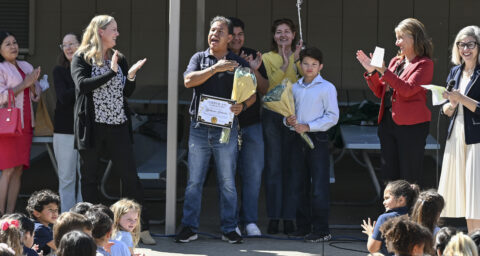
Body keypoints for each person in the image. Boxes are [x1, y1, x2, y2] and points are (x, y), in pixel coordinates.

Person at [70, 15, 155, 245]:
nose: (117, 33)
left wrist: (131, 75)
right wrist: (110, 71)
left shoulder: (119, 58)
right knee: (90, 178)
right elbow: (82, 86)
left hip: (118, 125)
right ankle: (92, 231)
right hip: (93, 126)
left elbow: (125, 92)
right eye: (113, 30)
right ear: (100, 32)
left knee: (130, 178)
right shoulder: (82, 58)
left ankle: (139, 228)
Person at [175, 16, 252, 244]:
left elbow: (253, 94)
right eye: (212, 30)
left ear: (229, 37)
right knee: (194, 181)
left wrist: (243, 105)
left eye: (220, 31)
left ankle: (229, 228)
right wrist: (216, 68)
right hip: (199, 128)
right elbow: (188, 81)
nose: (214, 34)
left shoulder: (238, 62)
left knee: (227, 181)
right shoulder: (199, 58)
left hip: (226, 129)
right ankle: (189, 227)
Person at [356, 18, 434, 184]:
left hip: (411, 127)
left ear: (414, 38)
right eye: (396, 38)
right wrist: (372, 73)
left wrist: (383, 70)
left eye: (400, 38)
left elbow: (407, 90)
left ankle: (409, 210)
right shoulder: (395, 61)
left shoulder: (425, 64)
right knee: (389, 175)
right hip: (388, 123)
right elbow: (380, 91)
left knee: (409, 177)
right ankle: (390, 209)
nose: (397, 43)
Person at [285, 47, 339, 242]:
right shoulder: (294, 87)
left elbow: (332, 117)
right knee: (298, 184)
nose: (309, 67)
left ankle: (322, 229)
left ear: (320, 66)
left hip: (318, 139)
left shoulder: (327, 87)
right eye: (306, 63)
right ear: (300, 65)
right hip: (296, 139)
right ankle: (303, 226)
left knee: (319, 185)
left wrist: (309, 126)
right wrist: (289, 121)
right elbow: (288, 112)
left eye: (314, 64)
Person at [227, 17, 269, 236]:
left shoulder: (252, 54)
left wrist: (251, 69)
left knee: (253, 174)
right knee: (229, 175)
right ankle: (231, 221)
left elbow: (264, 88)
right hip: (226, 125)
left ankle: (250, 221)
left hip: (252, 124)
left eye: (240, 34)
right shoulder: (219, 56)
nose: (237, 38)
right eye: (232, 34)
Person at [262, 18, 303, 235]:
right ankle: (274, 217)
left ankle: (289, 217)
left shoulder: (301, 57)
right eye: (279, 32)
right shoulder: (267, 58)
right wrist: (286, 64)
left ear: (294, 34)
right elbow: (270, 87)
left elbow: (306, 81)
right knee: (274, 167)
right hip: (272, 115)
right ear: (274, 36)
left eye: (287, 31)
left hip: (295, 116)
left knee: (293, 168)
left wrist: (297, 59)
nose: (283, 35)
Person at [438, 25, 480, 233]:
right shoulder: (455, 71)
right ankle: (473, 241)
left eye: (470, 44)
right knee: (464, 194)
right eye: (461, 45)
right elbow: (445, 110)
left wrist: (461, 98)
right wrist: (452, 105)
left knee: (475, 193)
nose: (465, 49)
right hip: (456, 134)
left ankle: (475, 241)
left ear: (478, 47)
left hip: (476, 138)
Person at [0, 31, 42, 215]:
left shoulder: (26, 65)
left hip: (26, 125)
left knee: (18, 170)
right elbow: (1, 96)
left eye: (15, 42)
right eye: (7, 44)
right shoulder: (0, 68)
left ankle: (10, 213)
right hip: (8, 126)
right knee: (8, 170)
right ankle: (1, 214)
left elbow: (36, 95)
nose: (13, 46)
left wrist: (33, 84)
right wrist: (25, 83)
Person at [53, 33, 82, 213]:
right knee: (66, 178)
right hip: (64, 130)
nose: (68, 48)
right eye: (64, 45)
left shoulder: (90, 69)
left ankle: (83, 216)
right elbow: (64, 98)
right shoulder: (60, 71)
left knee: (86, 177)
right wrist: (83, 84)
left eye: (72, 43)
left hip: (86, 130)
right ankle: (66, 217)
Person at [361, 180, 420, 255]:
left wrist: (371, 234)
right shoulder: (417, 216)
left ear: (401, 200)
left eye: (387, 198)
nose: (383, 202)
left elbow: (372, 248)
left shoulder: (384, 218)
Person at [26, 189, 60, 255]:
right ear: (37, 213)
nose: (55, 213)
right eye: (50, 210)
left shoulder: (34, 225)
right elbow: (60, 248)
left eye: (56, 210)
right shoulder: (41, 229)